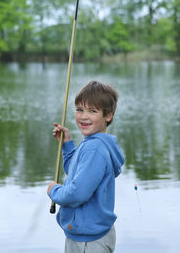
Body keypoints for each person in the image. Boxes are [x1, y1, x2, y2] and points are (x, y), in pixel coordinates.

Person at [47, 80, 125, 253]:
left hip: (90, 242)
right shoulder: (92, 142)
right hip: (87, 236)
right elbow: (76, 174)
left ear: (108, 115)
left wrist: (54, 191)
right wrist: (67, 144)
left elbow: (77, 194)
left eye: (92, 111)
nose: (83, 116)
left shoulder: (95, 148)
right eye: (79, 109)